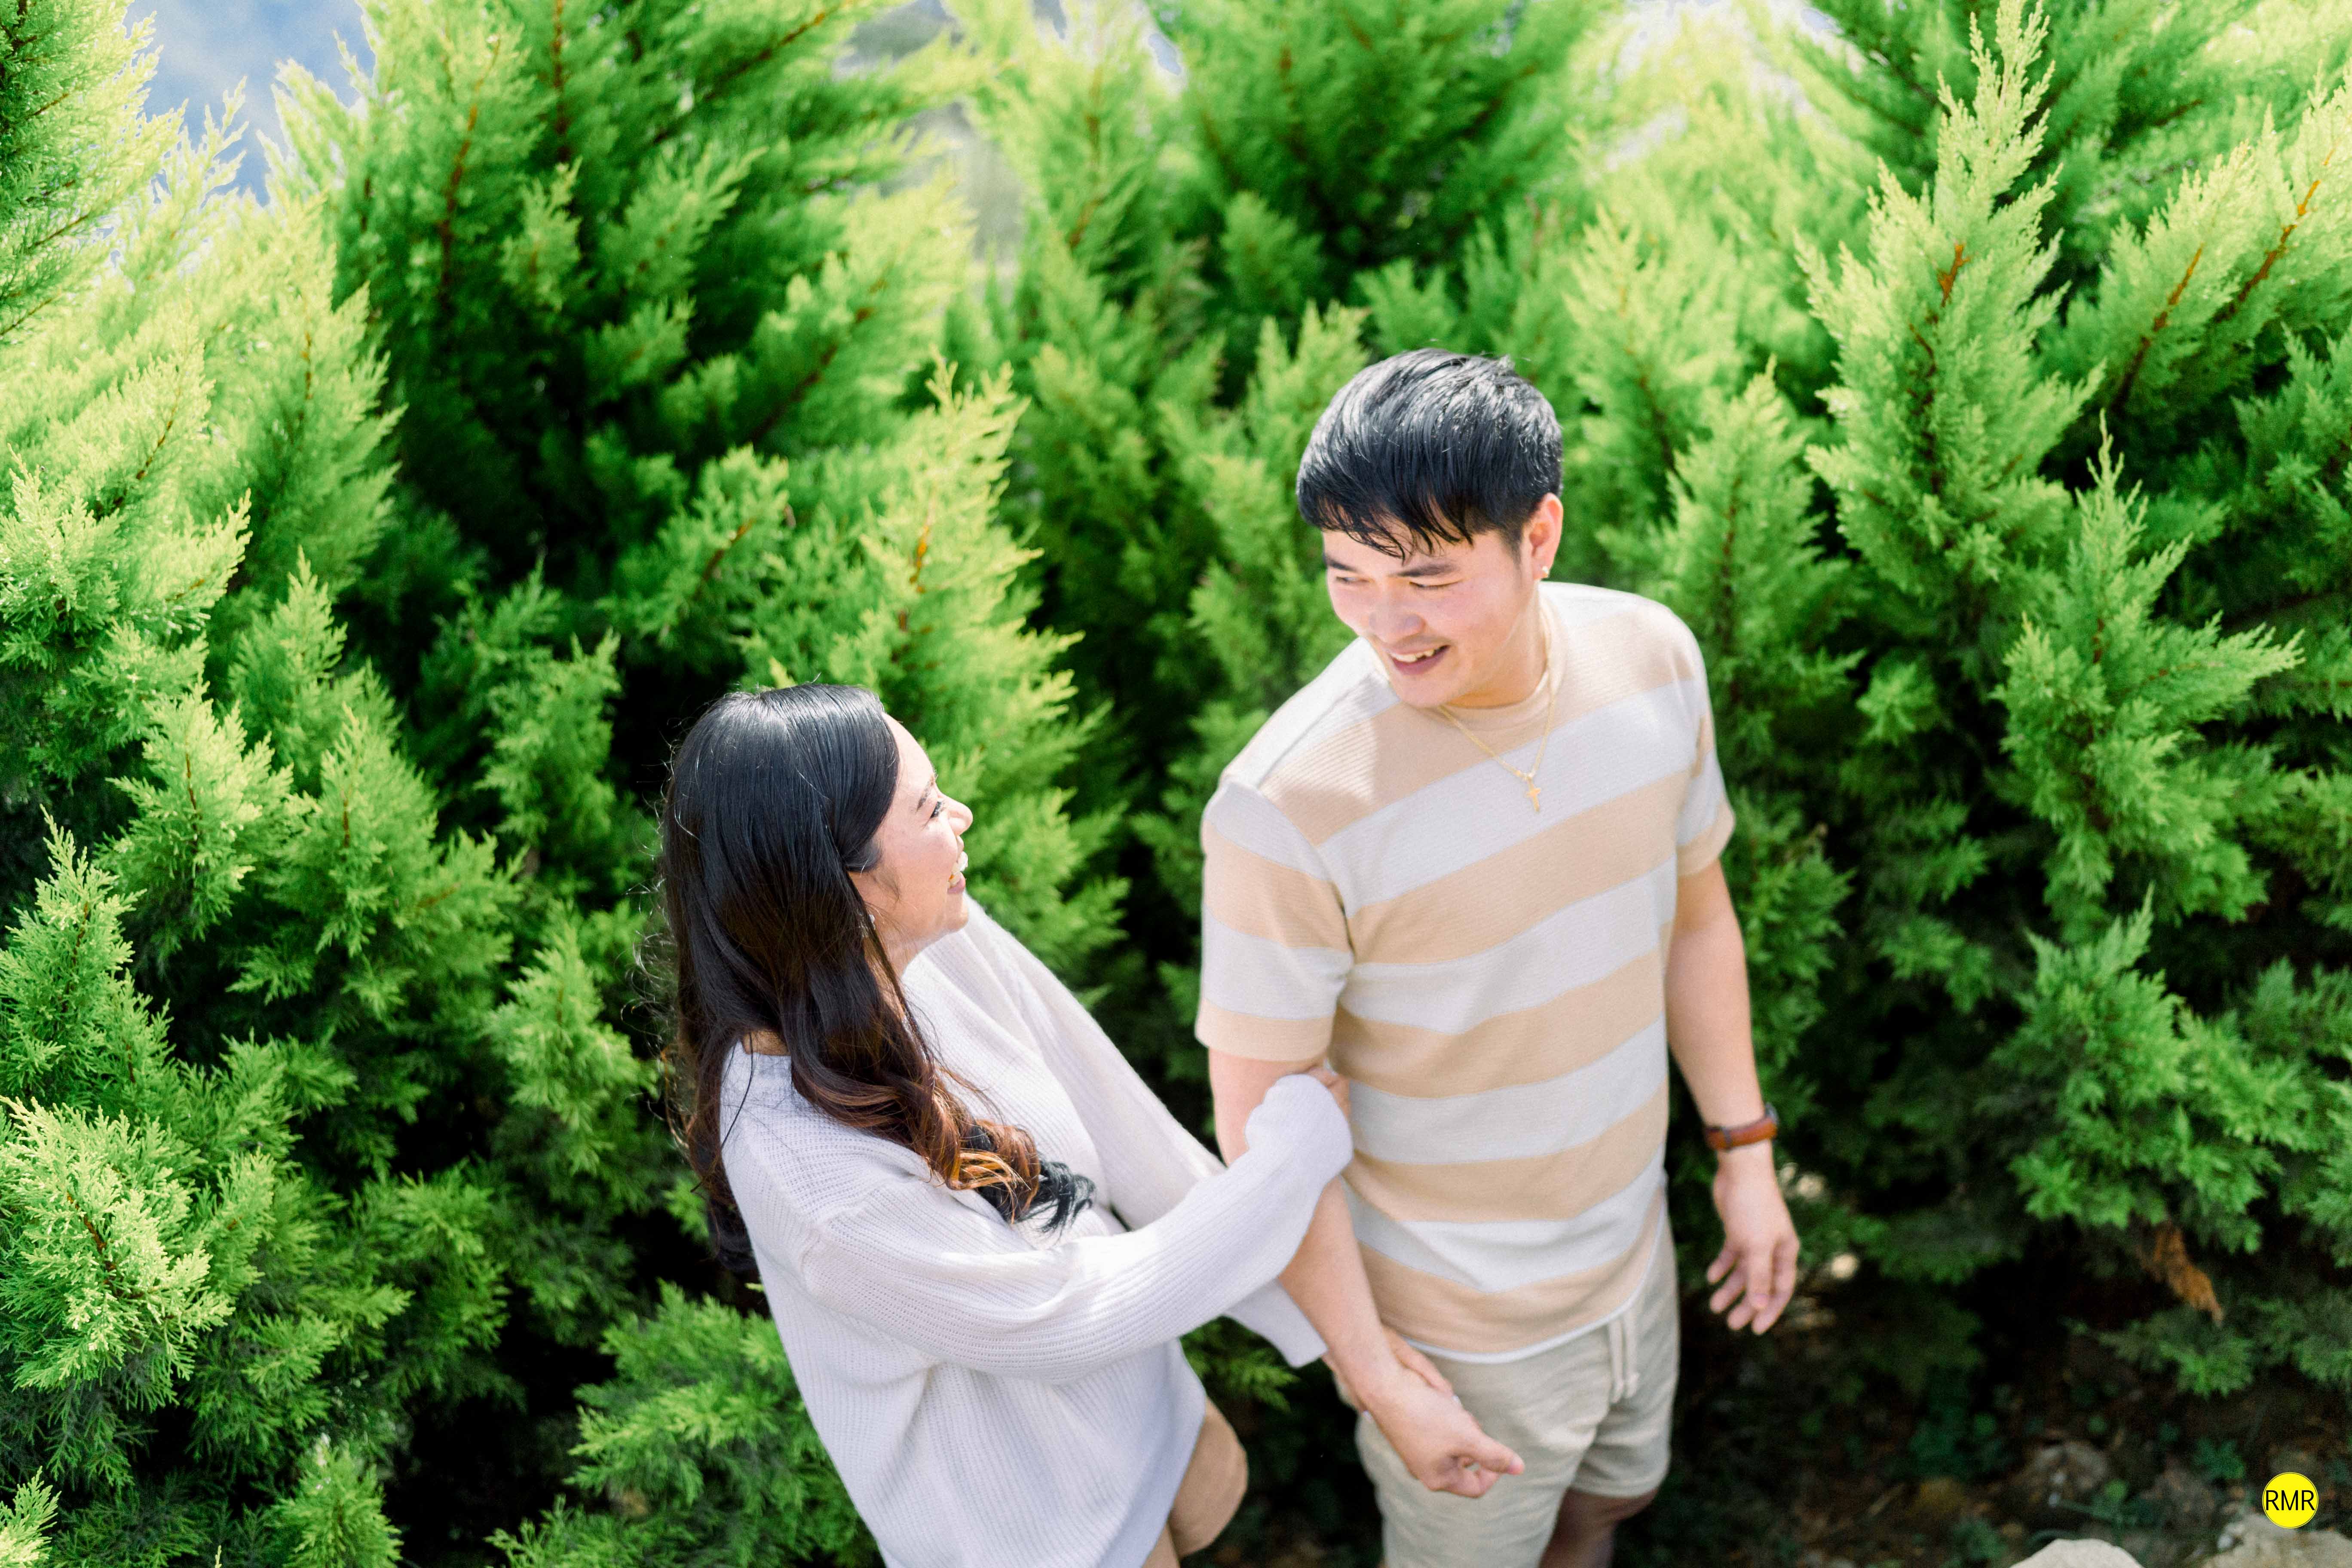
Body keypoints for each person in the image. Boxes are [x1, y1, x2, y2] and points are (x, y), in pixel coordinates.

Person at [1198, 349, 1802, 1568]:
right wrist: (1378, 1375)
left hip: (1635, 1251)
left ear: (1540, 535)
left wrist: (1745, 1152)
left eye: (1426, 578)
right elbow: (1261, 1124)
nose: (1386, 624)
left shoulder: (1652, 658)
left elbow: (1697, 919)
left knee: (1610, 1509)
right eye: (1349, 575)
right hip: (1451, 1328)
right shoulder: (1286, 803)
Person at [659, 682, 1357, 1568]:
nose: (963, 815)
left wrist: (1343, 1342)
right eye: (927, 808)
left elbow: (1122, 1124)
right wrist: (1289, 1165)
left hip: (1139, 1412)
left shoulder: (933, 937)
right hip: (1047, 1533)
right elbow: (1063, 1317)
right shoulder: (813, 1176)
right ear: (847, 884)